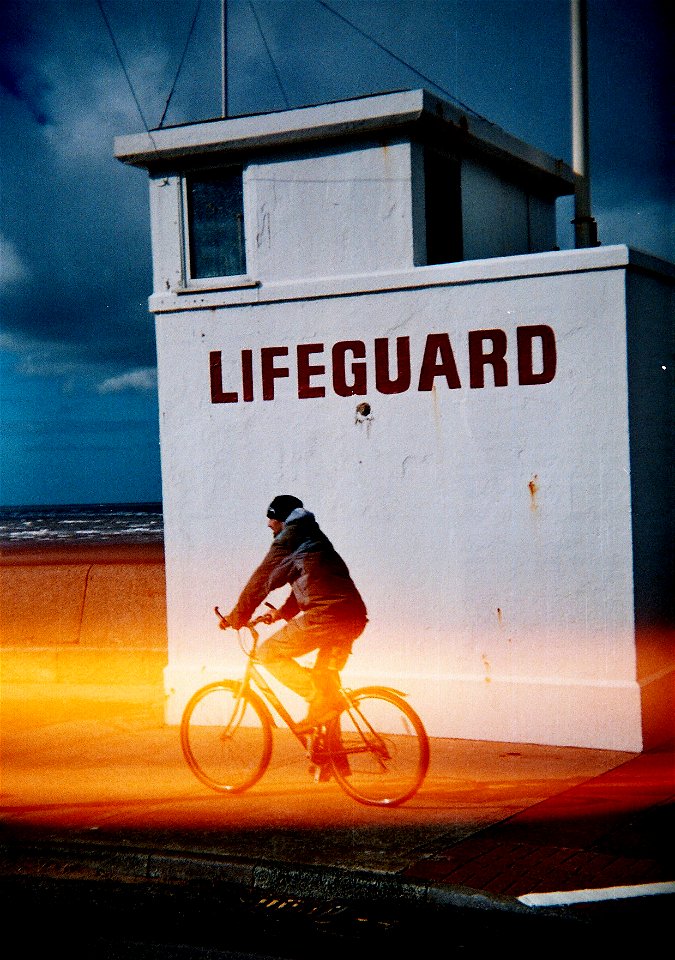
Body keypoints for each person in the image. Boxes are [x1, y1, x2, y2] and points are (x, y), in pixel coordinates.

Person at [220, 495, 367, 733]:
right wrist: (280, 613)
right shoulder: (313, 536)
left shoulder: (287, 541)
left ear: (282, 520)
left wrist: (237, 617)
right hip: (353, 619)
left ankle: (320, 701)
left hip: (326, 618)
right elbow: (314, 582)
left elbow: (261, 581)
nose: (269, 524)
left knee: (268, 653)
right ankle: (332, 761)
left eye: (272, 518)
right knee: (326, 686)